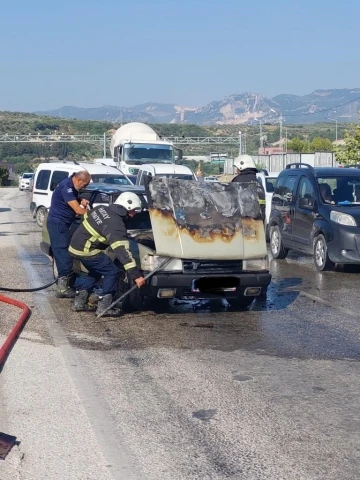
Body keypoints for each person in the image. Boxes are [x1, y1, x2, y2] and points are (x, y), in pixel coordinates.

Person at [68, 192, 146, 317]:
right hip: (86, 250)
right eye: (134, 210)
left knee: (97, 271)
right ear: (127, 207)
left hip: (75, 245)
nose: (134, 214)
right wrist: (136, 275)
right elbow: (122, 252)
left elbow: (86, 217)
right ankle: (104, 307)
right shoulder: (116, 225)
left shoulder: (101, 209)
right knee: (112, 272)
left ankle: (79, 301)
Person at [47, 171, 91, 298]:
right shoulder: (67, 188)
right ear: (78, 180)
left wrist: (81, 202)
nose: (85, 187)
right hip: (58, 225)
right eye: (85, 184)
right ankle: (62, 289)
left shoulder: (71, 186)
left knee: (65, 253)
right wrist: (93, 215)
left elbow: (75, 205)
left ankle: (68, 284)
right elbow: (77, 210)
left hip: (64, 224)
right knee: (63, 254)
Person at [232, 154, 266, 220]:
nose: (236, 171)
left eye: (237, 168)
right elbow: (262, 206)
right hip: (257, 223)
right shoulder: (258, 183)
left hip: (241, 222)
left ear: (241, 167)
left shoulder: (237, 181)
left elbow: (230, 203)